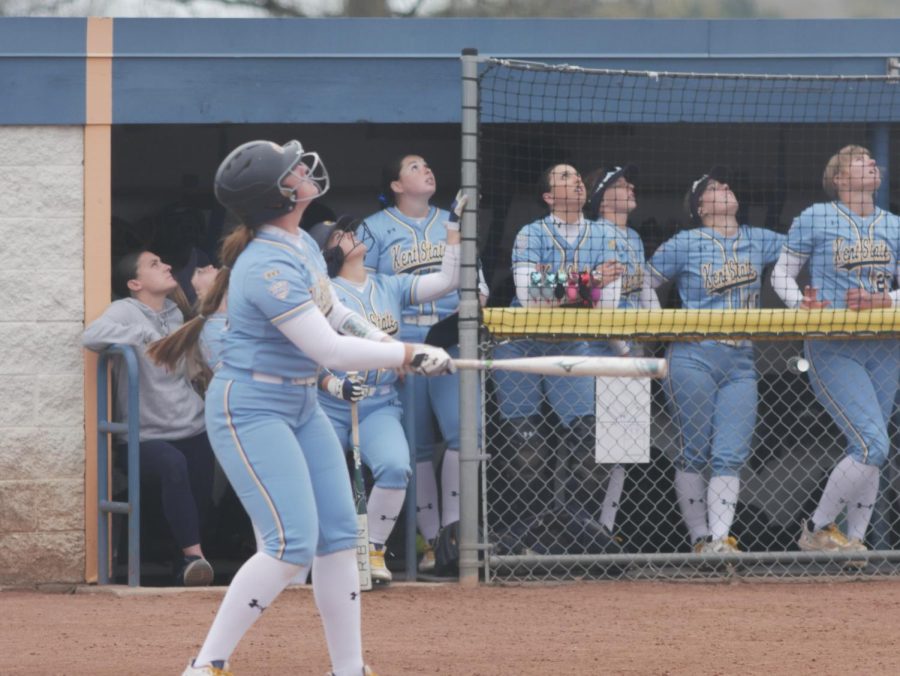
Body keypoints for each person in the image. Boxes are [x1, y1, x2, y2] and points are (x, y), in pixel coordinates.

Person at [150, 139, 453, 676]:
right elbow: (328, 350)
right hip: (252, 406)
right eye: (290, 169)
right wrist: (405, 351)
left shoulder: (302, 244)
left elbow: (337, 315)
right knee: (290, 544)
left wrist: (392, 349)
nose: (302, 169)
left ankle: (349, 668)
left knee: (338, 537)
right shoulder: (266, 262)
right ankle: (206, 666)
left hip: (298, 402)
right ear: (278, 194)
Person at [307, 205, 462, 584]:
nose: (351, 234)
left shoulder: (387, 284)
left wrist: (454, 229)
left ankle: (372, 550)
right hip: (328, 405)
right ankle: (323, 555)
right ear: (327, 252)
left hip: (378, 402)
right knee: (323, 482)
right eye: (339, 235)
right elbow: (307, 352)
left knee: (396, 467)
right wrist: (332, 382)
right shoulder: (321, 294)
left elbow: (446, 280)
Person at [648, 167, 785, 554]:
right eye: (713, 188)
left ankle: (721, 539)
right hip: (693, 355)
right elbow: (644, 281)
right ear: (700, 207)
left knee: (730, 452)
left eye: (725, 185)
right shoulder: (685, 242)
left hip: (741, 358)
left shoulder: (757, 239)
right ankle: (699, 538)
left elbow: (800, 250)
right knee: (694, 449)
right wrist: (665, 327)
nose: (724, 188)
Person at [771, 145, 900, 556]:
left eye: (871, 159)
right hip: (834, 343)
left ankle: (855, 541)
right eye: (858, 160)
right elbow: (781, 274)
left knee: (872, 447)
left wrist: (889, 302)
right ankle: (818, 526)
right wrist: (799, 304)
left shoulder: (894, 224)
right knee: (871, 444)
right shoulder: (817, 216)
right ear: (839, 179)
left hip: (885, 346)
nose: (871, 162)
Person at [492, 162, 624, 547]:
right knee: (526, 447)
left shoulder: (602, 234)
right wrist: (590, 283)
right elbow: (527, 295)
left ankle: (576, 529)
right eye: (564, 177)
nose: (576, 180)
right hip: (520, 342)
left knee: (589, 443)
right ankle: (523, 533)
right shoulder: (531, 233)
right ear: (549, 196)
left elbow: (608, 307)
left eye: (577, 176)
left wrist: (565, 290)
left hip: (570, 343)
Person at [360, 154, 470, 572]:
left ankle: (455, 537)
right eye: (412, 166)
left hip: (448, 336)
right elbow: (364, 291)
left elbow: (470, 281)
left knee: (463, 434)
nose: (426, 169)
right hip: (403, 341)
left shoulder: (452, 219)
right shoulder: (373, 228)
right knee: (417, 443)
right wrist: (386, 347)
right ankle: (430, 543)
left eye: (428, 164)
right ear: (396, 185)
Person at [82, 250, 216, 586]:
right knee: (172, 465)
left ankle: (184, 564)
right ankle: (194, 557)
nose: (168, 265)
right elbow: (90, 336)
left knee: (201, 496)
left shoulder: (177, 313)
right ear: (135, 283)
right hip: (144, 436)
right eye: (155, 264)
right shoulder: (125, 311)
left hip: (192, 424)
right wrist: (144, 337)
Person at [582, 164, 660, 540]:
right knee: (591, 448)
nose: (630, 187)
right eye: (619, 183)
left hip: (631, 350)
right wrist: (625, 348)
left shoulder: (632, 236)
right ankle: (580, 529)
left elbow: (645, 291)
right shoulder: (595, 232)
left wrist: (657, 337)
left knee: (622, 450)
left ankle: (604, 530)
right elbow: (600, 301)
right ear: (600, 195)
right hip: (601, 349)